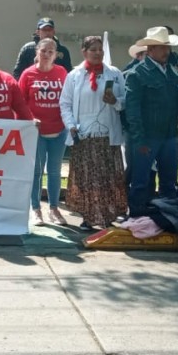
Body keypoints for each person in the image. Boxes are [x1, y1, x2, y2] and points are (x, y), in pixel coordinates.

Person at [59, 35, 127, 230]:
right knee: (87, 178)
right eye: (93, 50)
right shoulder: (74, 76)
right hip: (84, 135)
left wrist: (114, 101)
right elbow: (65, 104)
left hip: (106, 135)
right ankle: (89, 217)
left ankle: (107, 215)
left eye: (100, 50)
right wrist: (70, 125)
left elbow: (125, 101)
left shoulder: (114, 73)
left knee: (107, 177)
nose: (98, 53)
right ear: (84, 52)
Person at [124, 27, 178, 218]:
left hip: (169, 135)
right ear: (150, 50)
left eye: (167, 47)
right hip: (147, 137)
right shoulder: (136, 74)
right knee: (140, 181)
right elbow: (132, 111)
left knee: (169, 181)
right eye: (161, 47)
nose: (166, 51)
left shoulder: (171, 72)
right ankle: (136, 217)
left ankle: (168, 217)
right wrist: (138, 140)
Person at [19, 38, 68, 226]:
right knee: (37, 171)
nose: (46, 54)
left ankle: (54, 209)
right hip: (36, 132)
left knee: (54, 171)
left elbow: (69, 99)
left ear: (55, 55)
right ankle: (36, 209)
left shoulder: (62, 73)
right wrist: (30, 119)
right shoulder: (28, 74)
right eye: (43, 51)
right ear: (36, 53)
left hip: (59, 131)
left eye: (51, 51)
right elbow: (20, 102)